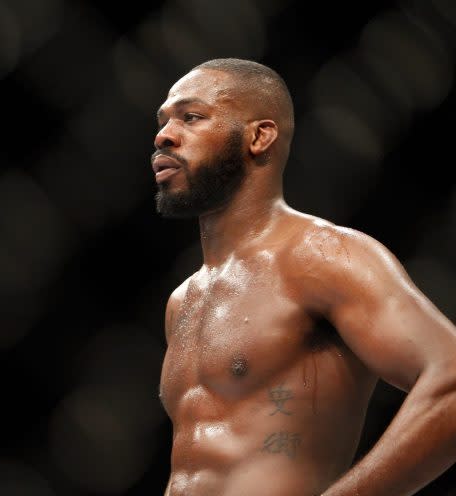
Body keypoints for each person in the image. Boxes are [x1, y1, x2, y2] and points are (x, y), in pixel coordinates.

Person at [152, 57, 456, 496]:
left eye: (191, 117)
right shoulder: (184, 299)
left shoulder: (320, 254)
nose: (163, 136)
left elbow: (449, 381)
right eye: (162, 122)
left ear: (259, 136)